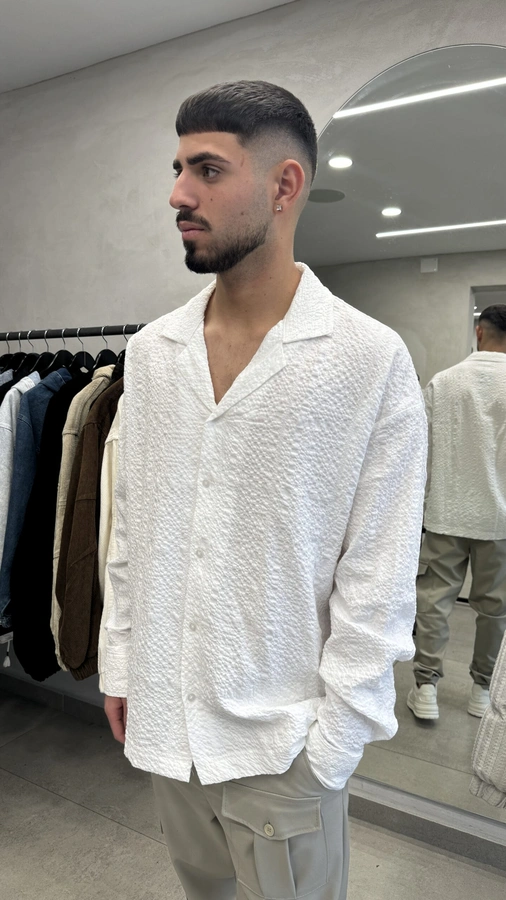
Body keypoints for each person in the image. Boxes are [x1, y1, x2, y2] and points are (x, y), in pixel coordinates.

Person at [103, 80, 427, 900]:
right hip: (168, 730)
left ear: (285, 186)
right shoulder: (153, 353)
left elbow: (380, 578)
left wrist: (331, 749)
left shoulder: (367, 360)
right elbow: (133, 528)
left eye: (207, 170)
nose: (178, 195)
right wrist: (123, 664)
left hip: (284, 751)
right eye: (178, 169)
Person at [408, 306, 506, 722]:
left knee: (434, 601)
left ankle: (426, 688)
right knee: (495, 609)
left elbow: (419, 452)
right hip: (499, 519)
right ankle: (482, 690)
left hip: (445, 512)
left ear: (479, 332)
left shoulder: (443, 382)